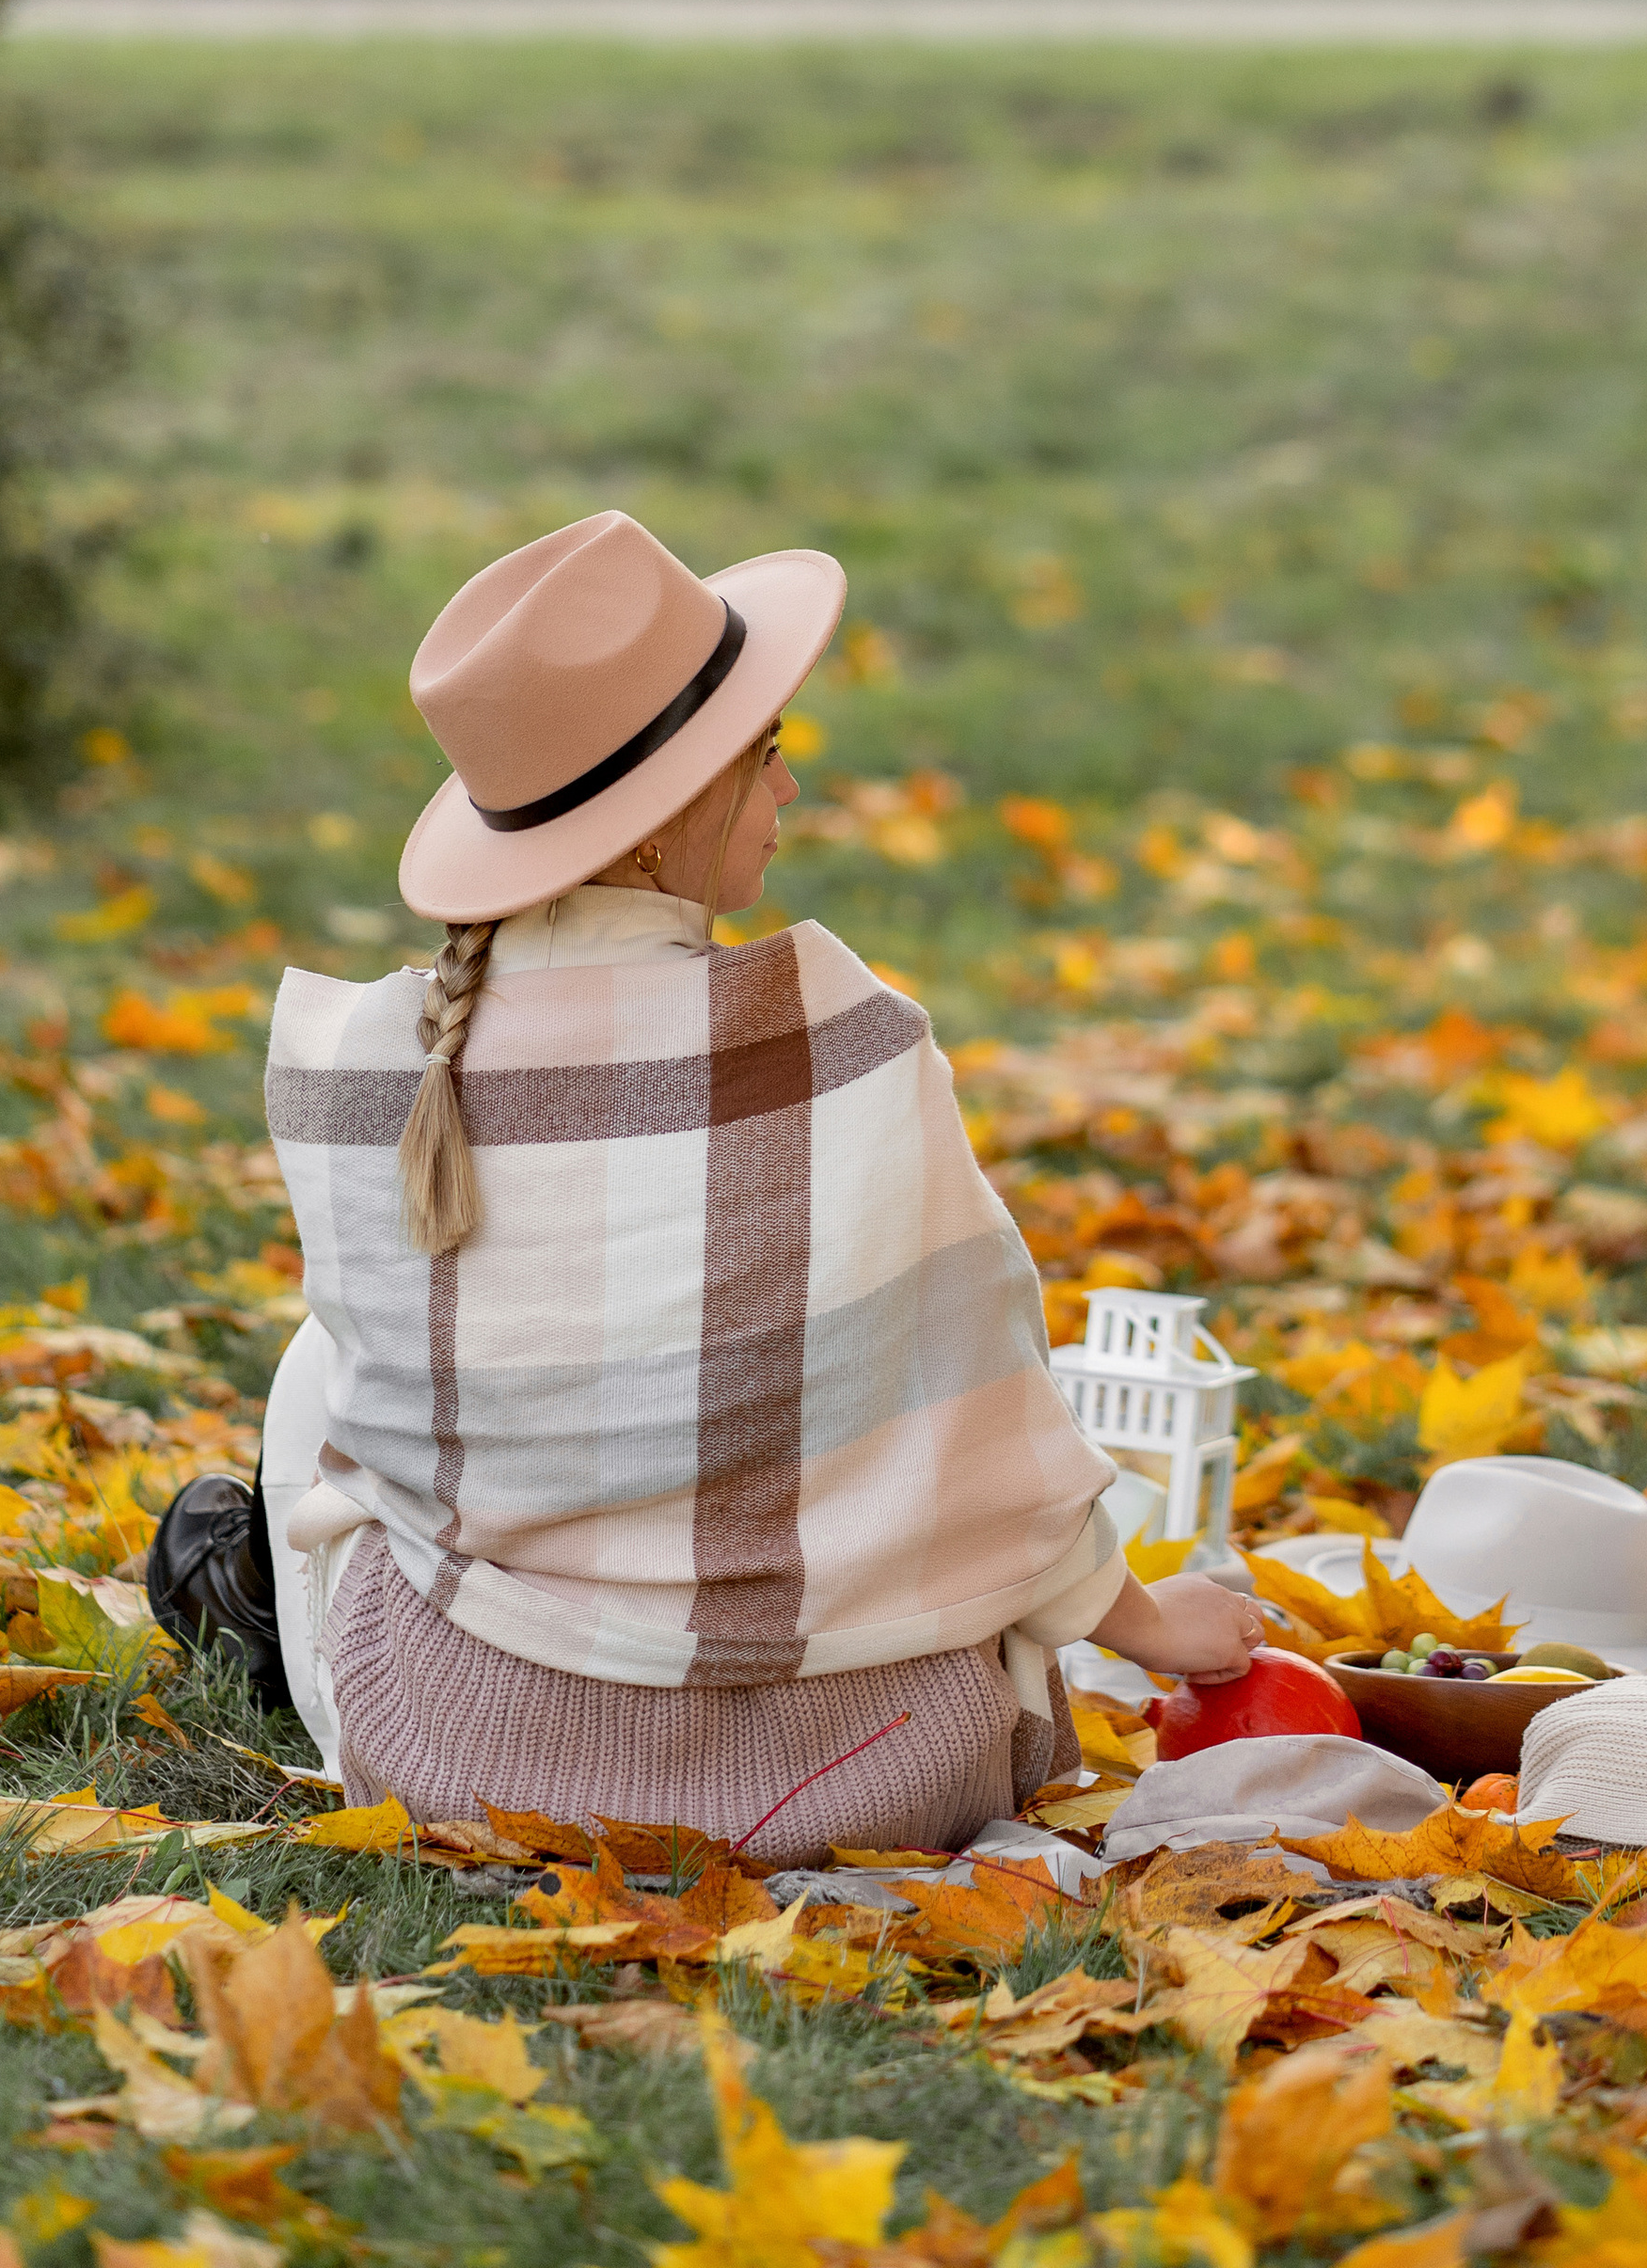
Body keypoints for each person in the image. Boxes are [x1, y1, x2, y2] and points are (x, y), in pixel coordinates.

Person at [148, 512, 1260, 1856]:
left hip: (473, 1768)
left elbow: (380, 1451)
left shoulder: (366, 1063)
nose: (790, 788)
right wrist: (1152, 1627)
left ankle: (251, 1601)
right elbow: (985, 1436)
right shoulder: (845, 1043)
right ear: (662, 821)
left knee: (317, 1371)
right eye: (766, 753)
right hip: (873, 1779)